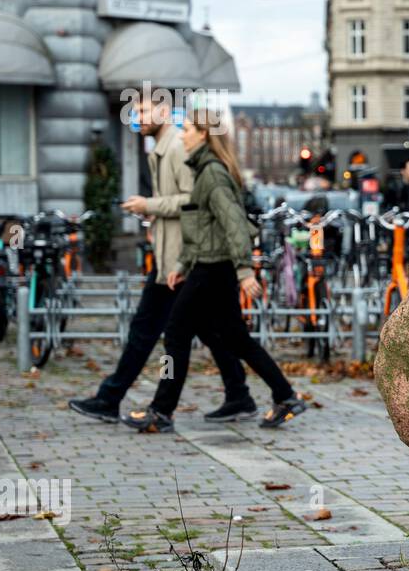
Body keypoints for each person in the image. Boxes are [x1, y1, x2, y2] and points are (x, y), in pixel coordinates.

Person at [69, 96, 255, 424]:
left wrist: (150, 207)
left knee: (155, 330)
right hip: (173, 255)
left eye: (143, 111)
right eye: (135, 111)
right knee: (209, 330)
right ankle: (239, 393)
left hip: (181, 259)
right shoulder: (161, 148)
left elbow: (194, 201)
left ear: (164, 112)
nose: (137, 117)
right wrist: (155, 221)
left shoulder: (177, 148)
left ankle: (120, 399)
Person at [122, 108, 305, 433]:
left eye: (189, 128)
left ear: (204, 135)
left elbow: (233, 223)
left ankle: (161, 410)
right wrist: (180, 265)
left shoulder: (212, 174)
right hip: (207, 265)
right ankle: (286, 395)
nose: (182, 134)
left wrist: (245, 271)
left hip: (213, 269)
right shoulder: (203, 170)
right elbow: (200, 226)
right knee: (235, 338)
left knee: (176, 334)